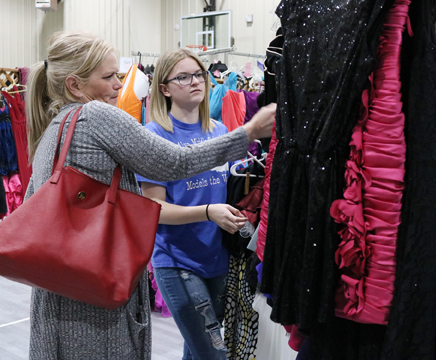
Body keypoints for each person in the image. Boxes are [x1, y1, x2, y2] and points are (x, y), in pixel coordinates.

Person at [25, 31, 276, 360]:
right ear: (75, 85)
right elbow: (176, 162)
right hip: (98, 287)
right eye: (110, 76)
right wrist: (249, 132)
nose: (120, 84)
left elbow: (33, 203)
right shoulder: (97, 116)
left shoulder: (54, 129)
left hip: (64, 286)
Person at [135, 48, 250, 360]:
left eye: (199, 74)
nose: (195, 81)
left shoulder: (219, 132)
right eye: (183, 77)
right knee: (213, 353)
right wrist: (209, 213)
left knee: (197, 351)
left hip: (217, 256)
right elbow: (154, 209)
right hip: (177, 260)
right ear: (165, 88)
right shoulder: (154, 136)